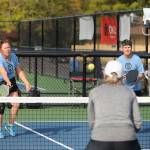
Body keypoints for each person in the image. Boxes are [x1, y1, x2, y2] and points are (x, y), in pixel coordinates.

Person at [86, 60, 142, 150]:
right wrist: (128, 132)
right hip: (128, 140)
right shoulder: (130, 92)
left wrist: (101, 132)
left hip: (99, 140)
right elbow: (138, 123)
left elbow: (91, 122)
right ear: (122, 76)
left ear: (105, 74)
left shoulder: (94, 92)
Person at [0, 39, 31, 138]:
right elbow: (3, 72)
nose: (8, 49)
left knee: (16, 104)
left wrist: (26, 83)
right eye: (5, 48)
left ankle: (10, 125)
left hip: (11, 81)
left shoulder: (13, 57)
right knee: (1, 111)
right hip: (1, 83)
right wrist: (7, 82)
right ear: (1, 50)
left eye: (9, 47)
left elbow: (19, 71)